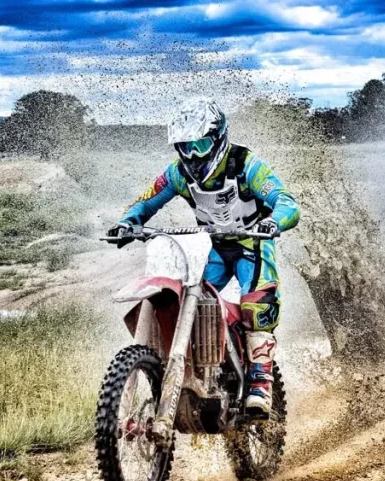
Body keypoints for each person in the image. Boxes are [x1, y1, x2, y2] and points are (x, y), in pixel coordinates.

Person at [108, 97, 300, 417]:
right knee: (187, 300)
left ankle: (259, 382)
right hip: (210, 247)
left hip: (252, 244)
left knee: (257, 303)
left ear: (219, 138)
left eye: (200, 144)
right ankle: (197, 366)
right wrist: (128, 222)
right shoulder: (178, 173)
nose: (194, 154)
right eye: (186, 146)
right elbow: (147, 200)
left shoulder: (245, 164)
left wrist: (274, 221)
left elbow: (286, 202)